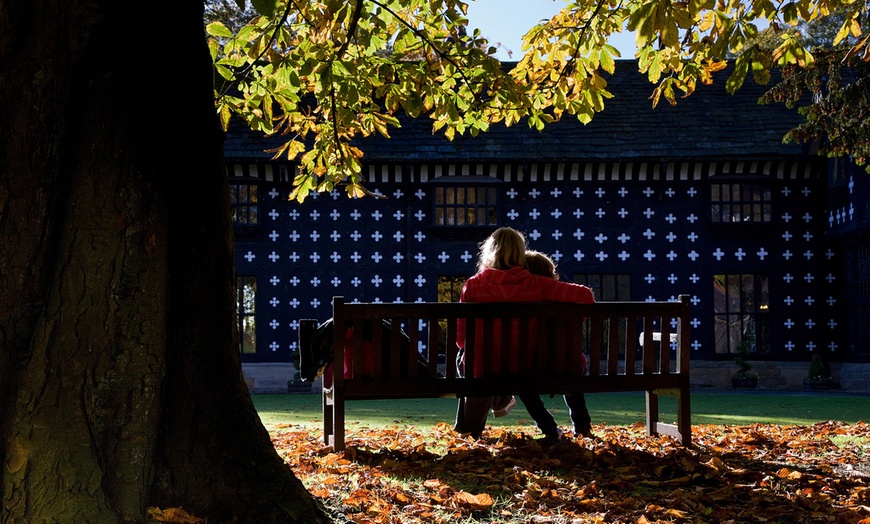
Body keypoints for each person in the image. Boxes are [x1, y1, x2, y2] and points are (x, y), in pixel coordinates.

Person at [453, 227, 595, 441]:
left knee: (465, 357)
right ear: (521, 252)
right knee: (480, 360)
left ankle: (490, 408)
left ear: (489, 251)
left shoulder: (473, 286)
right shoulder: (538, 284)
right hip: (522, 368)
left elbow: (461, 340)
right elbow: (585, 296)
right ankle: (499, 400)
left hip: (483, 369)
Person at [523, 250, 594, 439]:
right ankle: (582, 427)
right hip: (570, 366)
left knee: (523, 386)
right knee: (571, 370)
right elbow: (587, 297)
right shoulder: (566, 297)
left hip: (533, 367)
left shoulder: (523, 299)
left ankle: (548, 427)